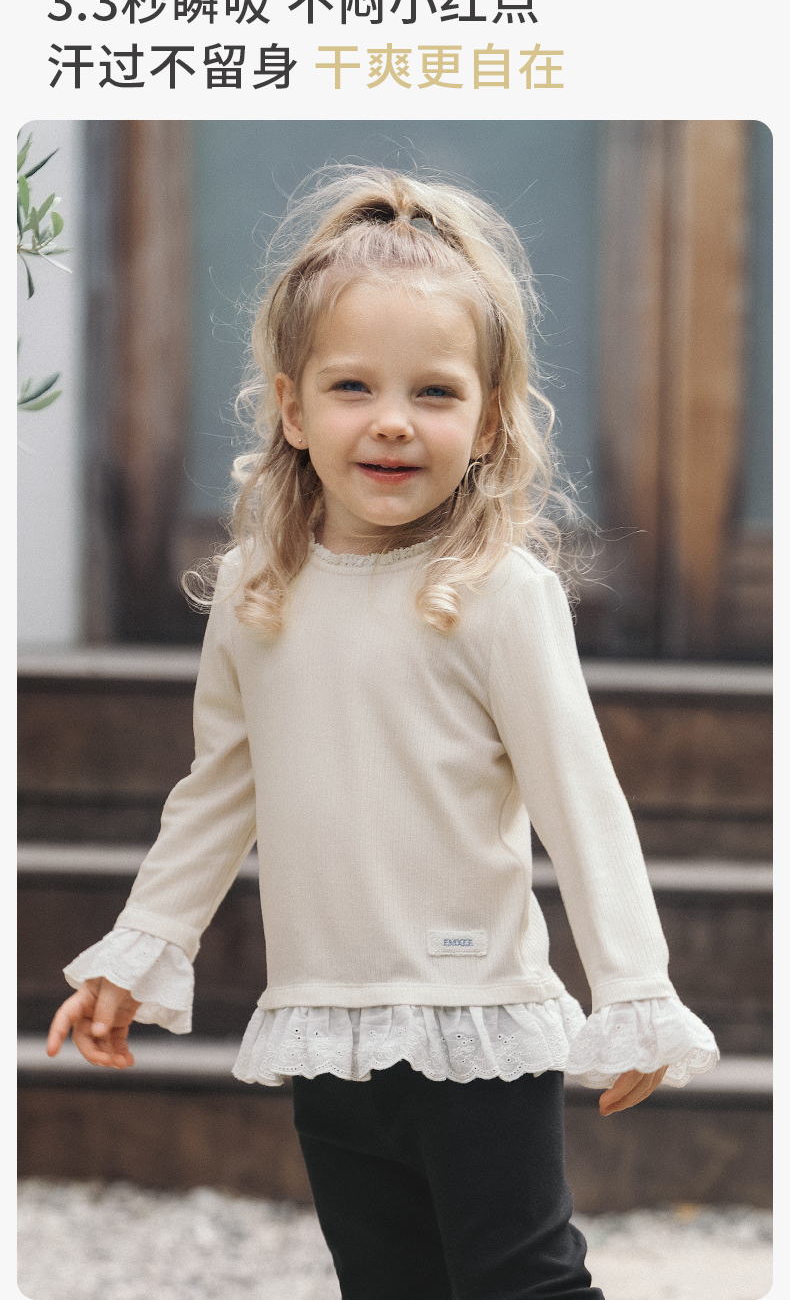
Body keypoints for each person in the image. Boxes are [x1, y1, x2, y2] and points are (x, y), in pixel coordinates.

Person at [47, 168, 718, 1299]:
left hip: (476, 1022)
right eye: (352, 386)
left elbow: (580, 802)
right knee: (386, 1282)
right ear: (292, 408)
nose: (393, 420)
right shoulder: (258, 593)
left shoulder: (497, 593)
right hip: (325, 1020)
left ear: (489, 418)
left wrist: (634, 988)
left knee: (523, 1281)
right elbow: (216, 792)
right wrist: (139, 949)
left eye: (434, 392)